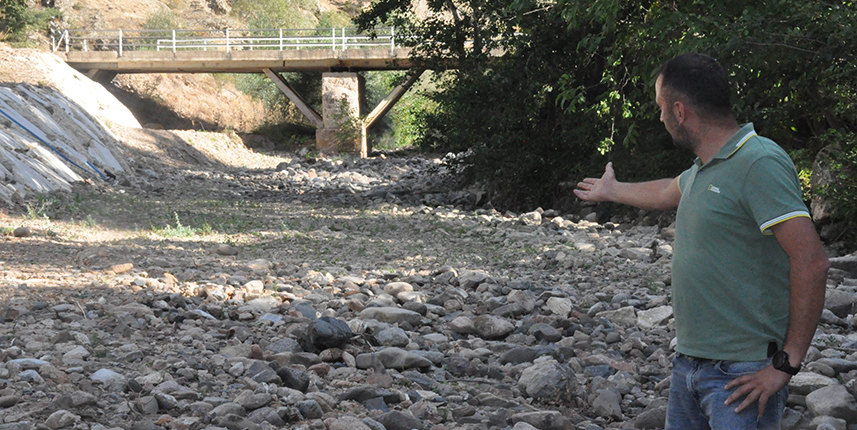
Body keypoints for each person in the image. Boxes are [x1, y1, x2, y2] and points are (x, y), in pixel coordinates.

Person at [574, 53, 829, 429]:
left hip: (743, 374)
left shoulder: (758, 162)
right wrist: (612, 190)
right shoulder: (705, 167)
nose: (659, 118)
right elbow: (665, 192)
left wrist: (786, 364)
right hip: (689, 364)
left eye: (661, 108)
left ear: (679, 111)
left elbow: (812, 262)